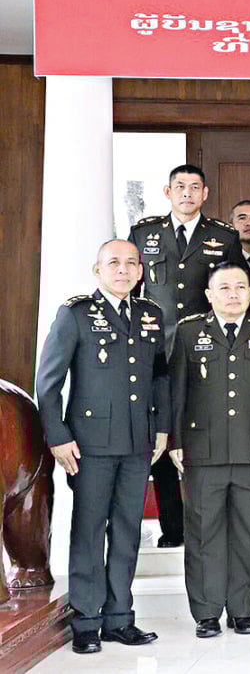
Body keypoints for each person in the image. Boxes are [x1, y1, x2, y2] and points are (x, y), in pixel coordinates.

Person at [35, 240, 168, 654]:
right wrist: (58, 436)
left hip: (137, 441)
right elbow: (48, 382)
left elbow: (160, 376)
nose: (123, 270)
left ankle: (119, 618)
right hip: (89, 444)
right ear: (98, 271)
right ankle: (86, 621)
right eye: (114, 263)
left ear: (141, 271)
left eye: (131, 263)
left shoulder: (150, 314)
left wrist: (162, 429)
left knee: (127, 531)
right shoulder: (75, 314)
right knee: (89, 531)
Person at [168, 263, 250, 638]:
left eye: (239, 287)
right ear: (209, 295)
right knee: (204, 532)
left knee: (247, 532)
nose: (232, 294)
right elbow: (177, 391)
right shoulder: (188, 332)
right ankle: (206, 611)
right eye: (224, 288)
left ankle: (242, 609)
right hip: (203, 448)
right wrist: (175, 441)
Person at [129, 164, 237, 548]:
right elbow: (133, 293)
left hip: (204, 351)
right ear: (168, 192)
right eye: (180, 187)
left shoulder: (224, 237)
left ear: (205, 193)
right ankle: (172, 527)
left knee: (205, 433)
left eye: (194, 187)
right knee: (160, 433)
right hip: (156, 351)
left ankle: (210, 521)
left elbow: (236, 290)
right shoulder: (144, 234)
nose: (187, 193)